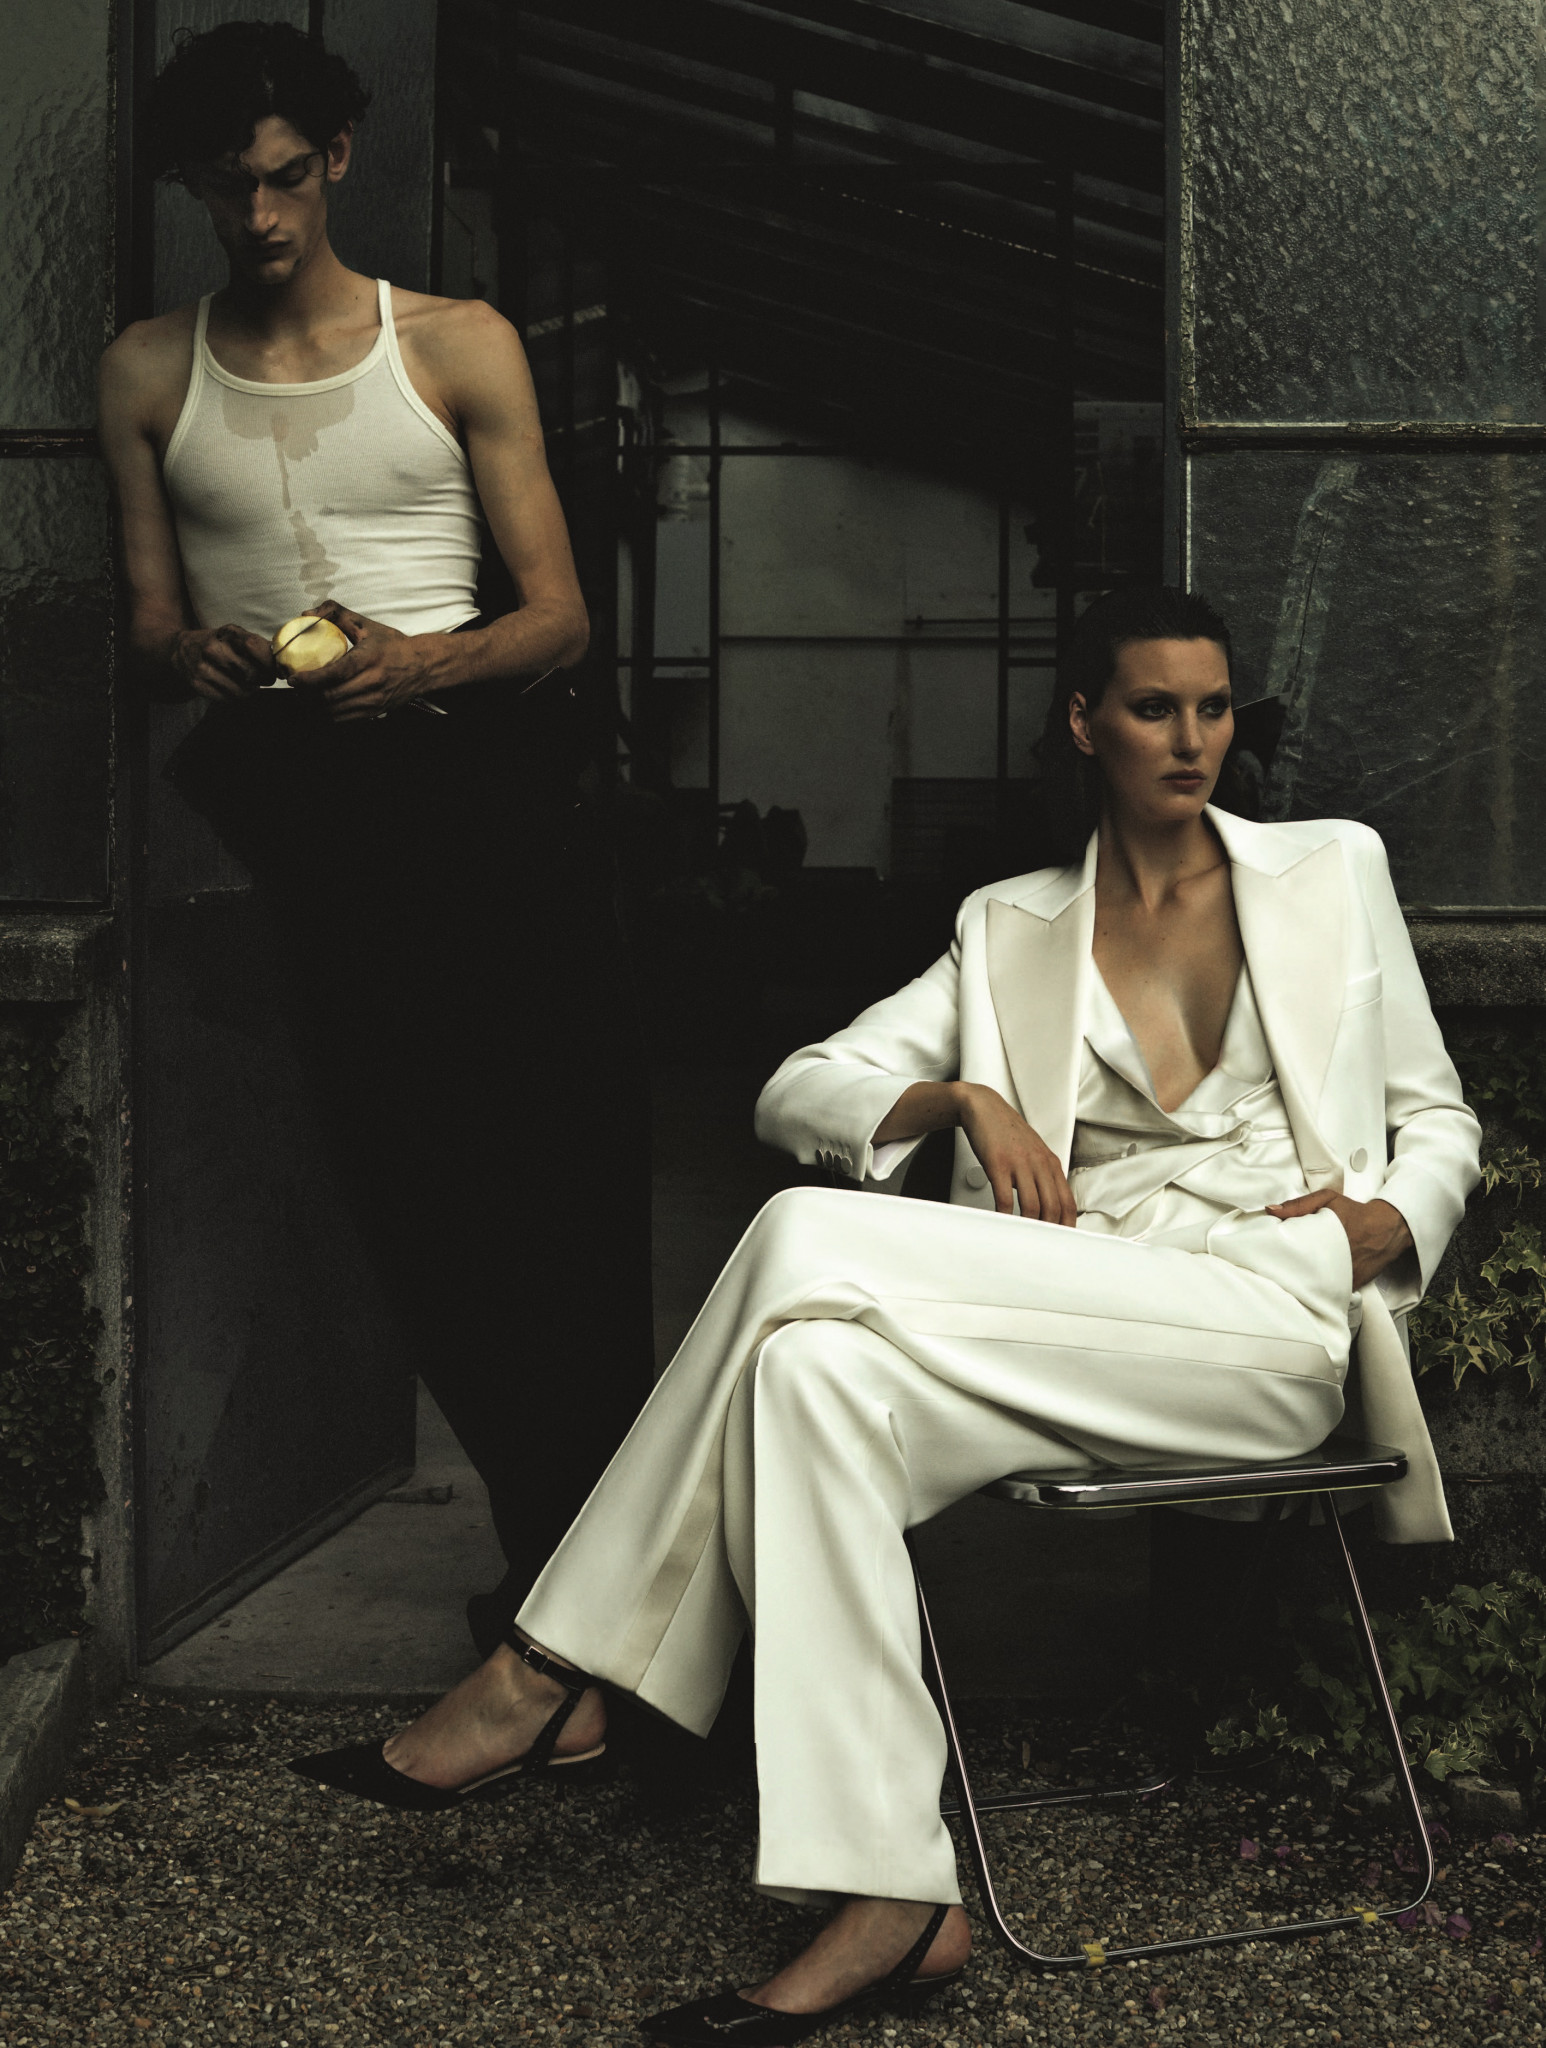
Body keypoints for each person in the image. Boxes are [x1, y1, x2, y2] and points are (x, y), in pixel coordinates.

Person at [292, 586, 1480, 2044]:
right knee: (810, 1381)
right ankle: (889, 1894)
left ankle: (553, 1667)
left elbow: (1435, 1114)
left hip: (1266, 1312)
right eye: (1154, 708)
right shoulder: (1007, 927)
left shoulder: (1329, 869)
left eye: (1213, 708)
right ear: (1084, 723)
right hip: (1071, 1316)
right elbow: (795, 1088)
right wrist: (959, 1099)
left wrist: (1388, 1222)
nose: (1191, 741)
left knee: (802, 1238)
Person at [97, 20, 654, 1639]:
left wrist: (422, 661)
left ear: (336, 157)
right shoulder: (148, 369)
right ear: (197, 187)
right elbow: (145, 627)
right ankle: (558, 1590)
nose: (261, 215)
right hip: (298, 807)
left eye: (285, 177)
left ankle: (596, 1597)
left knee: (546, 1187)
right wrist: (190, 656)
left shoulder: (457, 343)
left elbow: (558, 621)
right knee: (408, 1201)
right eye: (228, 186)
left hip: (472, 781)